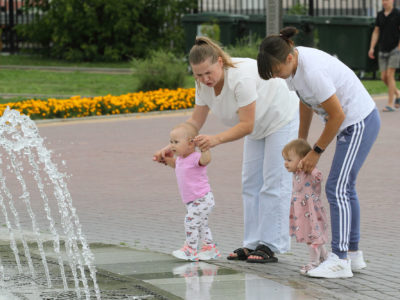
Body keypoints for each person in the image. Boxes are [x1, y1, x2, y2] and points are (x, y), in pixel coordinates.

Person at [153, 36, 299, 263]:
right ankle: (252, 244)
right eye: (198, 75)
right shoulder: (202, 85)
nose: (204, 79)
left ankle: (270, 245)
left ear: (220, 62)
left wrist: (215, 140)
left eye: (208, 72)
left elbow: (246, 125)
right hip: (257, 127)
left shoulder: (240, 78)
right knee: (250, 182)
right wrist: (173, 145)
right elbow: (194, 122)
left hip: (280, 117)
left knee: (274, 182)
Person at [257, 27, 381, 278]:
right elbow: (305, 101)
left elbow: (337, 116)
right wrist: (302, 140)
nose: (278, 77)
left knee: (337, 188)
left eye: (277, 71)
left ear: (289, 58)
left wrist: (316, 151)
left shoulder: (312, 70)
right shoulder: (293, 70)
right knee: (344, 187)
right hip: (350, 123)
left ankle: (340, 259)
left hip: (359, 121)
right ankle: (353, 255)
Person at [159, 122, 220, 261]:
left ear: (191, 144)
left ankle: (190, 250)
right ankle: (209, 248)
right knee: (201, 225)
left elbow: (206, 160)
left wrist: (205, 149)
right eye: (171, 142)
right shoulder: (181, 159)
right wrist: (167, 159)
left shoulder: (195, 157)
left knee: (190, 222)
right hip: (193, 201)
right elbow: (177, 167)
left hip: (202, 199)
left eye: (176, 142)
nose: (172, 145)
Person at [282, 139, 329, 274]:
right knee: (313, 236)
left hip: (311, 211)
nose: (286, 163)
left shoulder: (308, 172)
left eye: (289, 160)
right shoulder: (296, 173)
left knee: (312, 237)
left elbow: (319, 177)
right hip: (301, 211)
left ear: (302, 159)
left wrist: (310, 167)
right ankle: (324, 257)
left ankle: (314, 262)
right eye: (285, 160)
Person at [368, 0, 400, 112]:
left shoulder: (397, 14)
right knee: (383, 77)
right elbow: (376, 31)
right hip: (382, 49)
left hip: (394, 49)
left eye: (387, 0)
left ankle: (390, 104)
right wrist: (372, 47)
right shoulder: (380, 14)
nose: (384, 2)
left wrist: (398, 47)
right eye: (383, 0)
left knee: (390, 75)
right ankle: (398, 93)